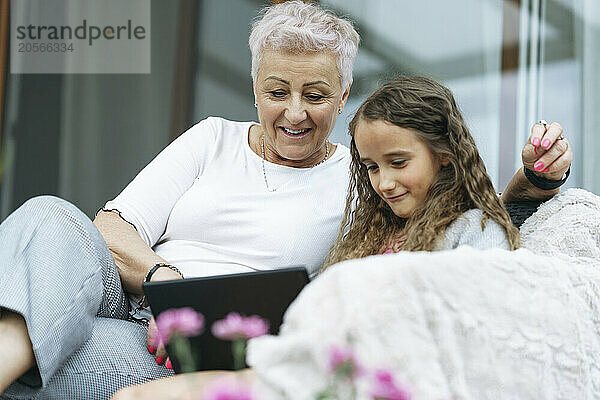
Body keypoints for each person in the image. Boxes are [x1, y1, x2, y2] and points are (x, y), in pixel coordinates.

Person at [0, 1, 571, 399]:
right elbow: (110, 229)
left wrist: (531, 184)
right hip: (126, 292)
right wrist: (166, 278)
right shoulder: (211, 137)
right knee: (50, 215)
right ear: (255, 87)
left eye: (315, 95)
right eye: (277, 92)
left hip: (187, 345)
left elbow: (451, 207)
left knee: (67, 348)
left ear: (343, 95)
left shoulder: (362, 179)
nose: (294, 112)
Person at [322, 75, 521, 270]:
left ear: (444, 153)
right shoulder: (368, 236)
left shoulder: (476, 229)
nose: (384, 184)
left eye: (398, 163)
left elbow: (487, 296)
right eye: (372, 167)